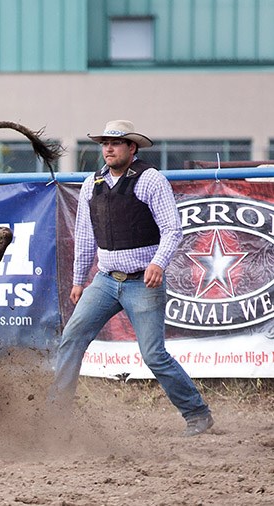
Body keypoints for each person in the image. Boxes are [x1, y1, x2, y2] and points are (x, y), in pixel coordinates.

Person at [48, 119, 214, 437]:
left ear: (131, 148)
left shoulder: (150, 180)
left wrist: (158, 263)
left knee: (153, 354)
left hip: (142, 280)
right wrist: (78, 280)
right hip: (106, 280)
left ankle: (197, 413)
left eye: (115, 143)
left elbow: (171, 229)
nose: (108, 148)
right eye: (104, 144)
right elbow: (84, 237)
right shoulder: (92, 184)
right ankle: (56, 415)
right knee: (72, 338)